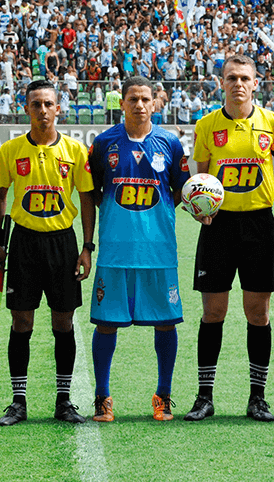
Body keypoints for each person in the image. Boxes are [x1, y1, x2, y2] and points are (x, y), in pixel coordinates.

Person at [185, 54, 274, 422]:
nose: (238, 84)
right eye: (231, 78)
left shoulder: (272, 123)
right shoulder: (206, 125)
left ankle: (257, 397)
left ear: (256, 82)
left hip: (259, 224)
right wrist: (197, 206)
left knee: (258, 313)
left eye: (244, 78)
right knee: (213, 312)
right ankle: (204, 397)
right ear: (222, 82)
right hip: (218, 227)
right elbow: (197, 178)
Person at [87, 76, 190, 422]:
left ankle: (163, 396)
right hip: (115, 251)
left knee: (166, 324)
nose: (140, 105)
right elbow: (93, 191)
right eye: (133, 99)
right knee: (106, 324)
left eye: (146, 99)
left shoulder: (170, 144)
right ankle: (103, 398)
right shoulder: (104, 143)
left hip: (158, 250)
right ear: (122, 103)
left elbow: (179, 190)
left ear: (155, 102)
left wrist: (159, 216)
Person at [0, 79, 95, 426]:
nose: (42, 110)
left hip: (62, 243)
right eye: (36, 104)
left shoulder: (76, 151)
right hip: (24, 242)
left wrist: (86, 246)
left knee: (62, 321)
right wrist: (0, 245)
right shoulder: (10, 151)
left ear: (58, 108)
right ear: (27, 108)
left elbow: (86, 198)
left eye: (48, 104)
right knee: (22, 321)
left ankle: (63, 401)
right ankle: (18, 401)